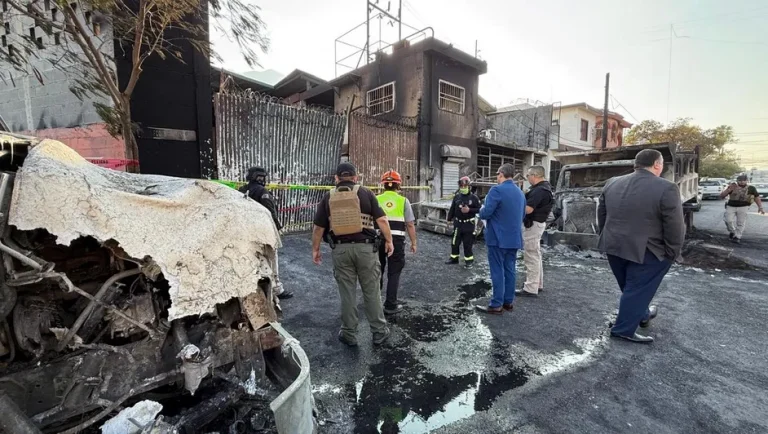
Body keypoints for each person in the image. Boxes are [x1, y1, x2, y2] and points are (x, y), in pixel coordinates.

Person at [598, 149, 685, 344]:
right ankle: (623, 330)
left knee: (632, 288)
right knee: (636, 288)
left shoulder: (612, 182)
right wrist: (673, 251)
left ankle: (643, 314)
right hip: (647, 250)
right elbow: (675, 225)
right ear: (656, 164)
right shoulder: (667, 187)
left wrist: (605, 236)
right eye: (662, 164)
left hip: (613, 245)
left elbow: (602, 213)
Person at [311, 162, 394, 347]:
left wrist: (315, 249)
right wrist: (389, 241)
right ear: (355, 178)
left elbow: (318, 228)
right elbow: (381, 219)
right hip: (366, 249)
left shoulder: (328, 197)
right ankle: (379, 332)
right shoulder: (366, 193)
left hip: (340, 250)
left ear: (337, 178)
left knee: (347, 293)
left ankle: (349, 333)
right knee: (371, 291)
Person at [475, 164, 526, 315]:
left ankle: (496, 304)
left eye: (497, 174)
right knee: (510, 270)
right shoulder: (520, 193)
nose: (497, 177)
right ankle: (508, 302)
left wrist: (481, 209)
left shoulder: (496, 190)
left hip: (497, 239)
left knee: (497, 270)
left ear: (502, 174)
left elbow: (486, 213)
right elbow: (522, 215)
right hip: (514, 238)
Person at [239, 166, 293, 300]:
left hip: (246, 232)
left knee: (251, 260)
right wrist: (278, 229)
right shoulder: (262, 191)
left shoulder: (241, 190)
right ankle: (276, 289)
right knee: (271, 260)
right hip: (264, 232)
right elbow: (270, 212)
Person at [376, 170, 418, 316]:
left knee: (377, 271)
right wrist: (414, 242)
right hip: (397, 241)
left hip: (377, 240)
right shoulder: (403, 201)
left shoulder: (376, 199)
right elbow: (410, 224)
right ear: (398, 185)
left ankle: (375, 303)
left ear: (384, 185)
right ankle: (390, 305)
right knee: (394, 273)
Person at [516, 165, 554, 297]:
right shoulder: (544, 188)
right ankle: (537, 284)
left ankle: (530, 288)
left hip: (533, 225)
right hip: (537, 224)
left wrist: (515, 207)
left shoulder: (539, 190)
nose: (527, 178)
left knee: (531, 256)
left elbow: (528, 209)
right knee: (536, 255)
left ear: (535, 175)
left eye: (528, 175)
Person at [446, 176, 481, 268]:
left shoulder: (474, 198)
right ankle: (454, 258)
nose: (463, 188)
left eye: (465, 186)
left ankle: (469, 261)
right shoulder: (457, 197)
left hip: (468, 224)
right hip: (458, 223)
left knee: (467, 243)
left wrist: (469, 210)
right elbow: (452, 208)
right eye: (461, 186)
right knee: (454, 242)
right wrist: (449, 219)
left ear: (469, 186)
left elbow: (479, 209)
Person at [720, 174, 765, 244]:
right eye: (740, 180)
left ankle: (737, 236)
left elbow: (757, 197)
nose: (742, 182)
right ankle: (732, 231)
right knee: (727, 220)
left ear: (747, 181)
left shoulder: (751, 188)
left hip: (744, 206)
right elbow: (722, 196)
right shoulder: (733, 186)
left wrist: (760, 207)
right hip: (731, 206)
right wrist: (728, 190)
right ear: (737, 181)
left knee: (740, 222)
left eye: (744, 180)